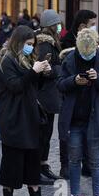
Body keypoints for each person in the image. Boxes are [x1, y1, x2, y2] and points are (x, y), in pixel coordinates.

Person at [58, 29, 99, 196]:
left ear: (95, 46)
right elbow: (60, 84)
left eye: (89, 52)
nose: (87, 55)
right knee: (74, 159)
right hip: (74, 119)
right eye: (84, 52)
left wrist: (98, 78)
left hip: (95, 119)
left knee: (96, 161)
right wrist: (74, 80)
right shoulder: (69, 59)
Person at [0, 25, 51, 196]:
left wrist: (43, 73)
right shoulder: (7, 60)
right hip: (13, 116)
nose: (30, 47)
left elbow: (34, 87)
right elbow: (16, 86)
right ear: (19, 42)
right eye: (28, 44)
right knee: (12, 158)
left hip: (30, 116)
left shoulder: (28, 59)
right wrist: (33, 72)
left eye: (32, 44)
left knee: (32, 157)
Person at [59, 9, 98, 178]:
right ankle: (65, 165)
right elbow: (61, 77)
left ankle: (87, 163)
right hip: (70, 94)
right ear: (83, 26)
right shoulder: (67, 43)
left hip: (89, 94)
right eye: (92, 25)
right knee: (68, 130)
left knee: (88, 128)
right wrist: (74, 80)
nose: (95, 28)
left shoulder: (94, 42)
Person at [35, 10, 64, 183]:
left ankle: (43, 165)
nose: (59, 27)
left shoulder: (51, 42)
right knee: (43, 134)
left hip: (50, 95)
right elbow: (44, 69)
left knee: (46, 133)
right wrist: (59, 70)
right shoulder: (45, 44)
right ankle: (37, 169)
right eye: (57, 24)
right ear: (51, 26)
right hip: (45, 96)